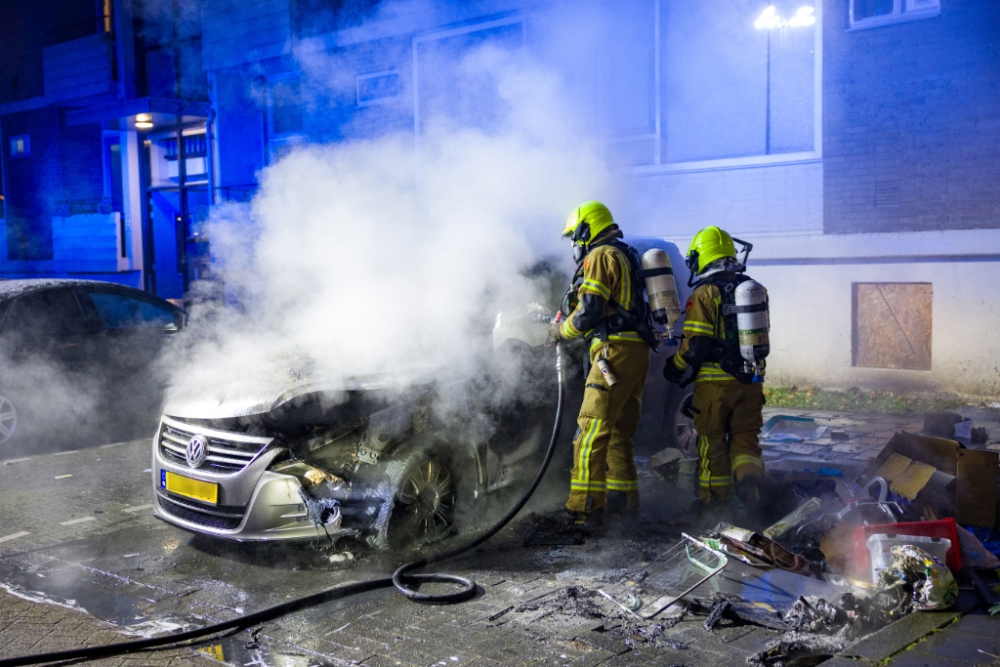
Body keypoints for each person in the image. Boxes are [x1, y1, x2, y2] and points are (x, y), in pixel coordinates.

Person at [545, 201, 655, 527]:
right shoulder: (628, 255)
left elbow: (590, 309)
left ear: (586, 229)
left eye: (575, 237)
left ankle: (583, 508)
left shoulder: (602, 256)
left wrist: (561, 331)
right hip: (635, 352)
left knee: (590, 429)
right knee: (619, 432)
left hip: (613, 352)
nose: (574, 245)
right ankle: (624, 504)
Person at [662, 225, 767, 519]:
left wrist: (675, 368)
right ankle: (753, 493)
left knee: (713, 444)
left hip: (715, 385)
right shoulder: (754, 290)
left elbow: (696, 346)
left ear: (704, 257)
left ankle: (714, 504)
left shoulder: (705, 294)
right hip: (751, 381)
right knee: (746, 441)